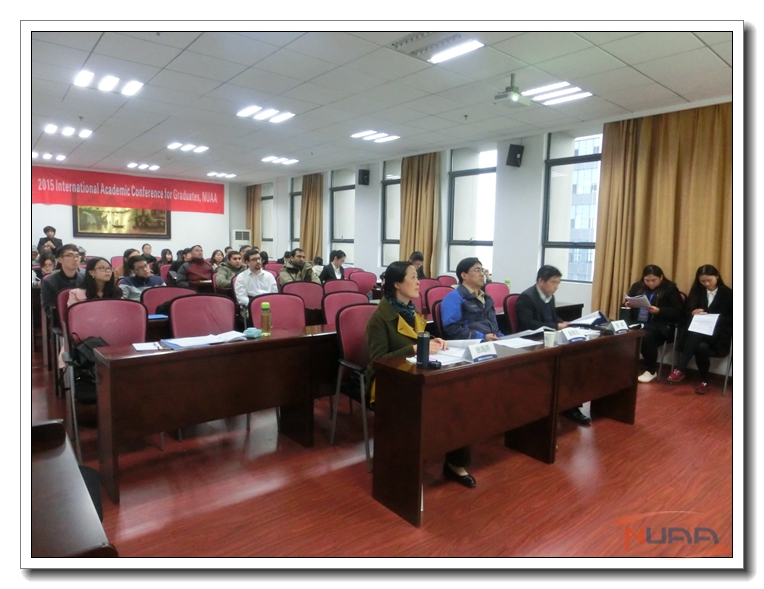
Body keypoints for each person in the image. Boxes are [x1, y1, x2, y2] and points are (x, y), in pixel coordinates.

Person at [365, 261, 476, 488]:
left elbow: (418, 338)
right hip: (390, 384)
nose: (418, 282)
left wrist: (433, 340)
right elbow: (379, 360)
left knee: (457, 398)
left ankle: (455, 462)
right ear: (397, 284)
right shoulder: (379, 319)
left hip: (416, 376)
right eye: (413, 277)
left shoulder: (411, 312)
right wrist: (415, 349)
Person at [517, 265, 591, 426]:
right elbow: (528, 324)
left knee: (575, 359)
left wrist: (563, 323)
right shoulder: (526, 297)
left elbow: (553, 317)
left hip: (549, 338)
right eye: (553, 282)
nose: (556, 286)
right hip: (533, 342)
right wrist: (557, 326)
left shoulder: (548, 296)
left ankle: (570, 404)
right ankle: (564, 405)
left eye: (558, 282)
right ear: (541, 281)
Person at [667, 265, 733, 394]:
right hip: (697, 335)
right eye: (703, 281)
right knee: (701, 346)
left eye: (709, 280)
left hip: (719, 335)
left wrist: (712, 316)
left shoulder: (728, 294)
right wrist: (693, 313)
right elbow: (685, 315)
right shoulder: (697, 292)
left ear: (717, 277)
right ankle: (705, 381)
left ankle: (680, 368)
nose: (706, 284)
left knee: (696, 334)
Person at [625, 264, 684, 383]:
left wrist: (659, 311)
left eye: (654, 280)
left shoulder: (670, 288)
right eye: (647, 280)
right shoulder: (637, 286)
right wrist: (628, 304)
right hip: (638, 322)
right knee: (620, 333)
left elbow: (678, 312)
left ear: (661, 277)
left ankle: (651, 370)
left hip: (661, 326)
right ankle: (625, 366)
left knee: (645, 336)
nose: (650, 283)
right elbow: (628, 301)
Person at [441, 257, 503, 341]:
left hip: (491, 341)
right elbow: (452, 329)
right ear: (464, 275)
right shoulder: (454, 298)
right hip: (471, 342)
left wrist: (502, 338)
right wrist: (483, 337)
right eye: (477, 270)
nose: (482, 274)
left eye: (482, 270)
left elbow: (494, 326)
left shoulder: (487, 299)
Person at [40, 244, 85, 316]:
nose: (75, 259)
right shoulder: (49, 282)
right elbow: (49, 309)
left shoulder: (85, 278)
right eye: (70, 255)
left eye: (77, 256)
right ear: (60, 260)